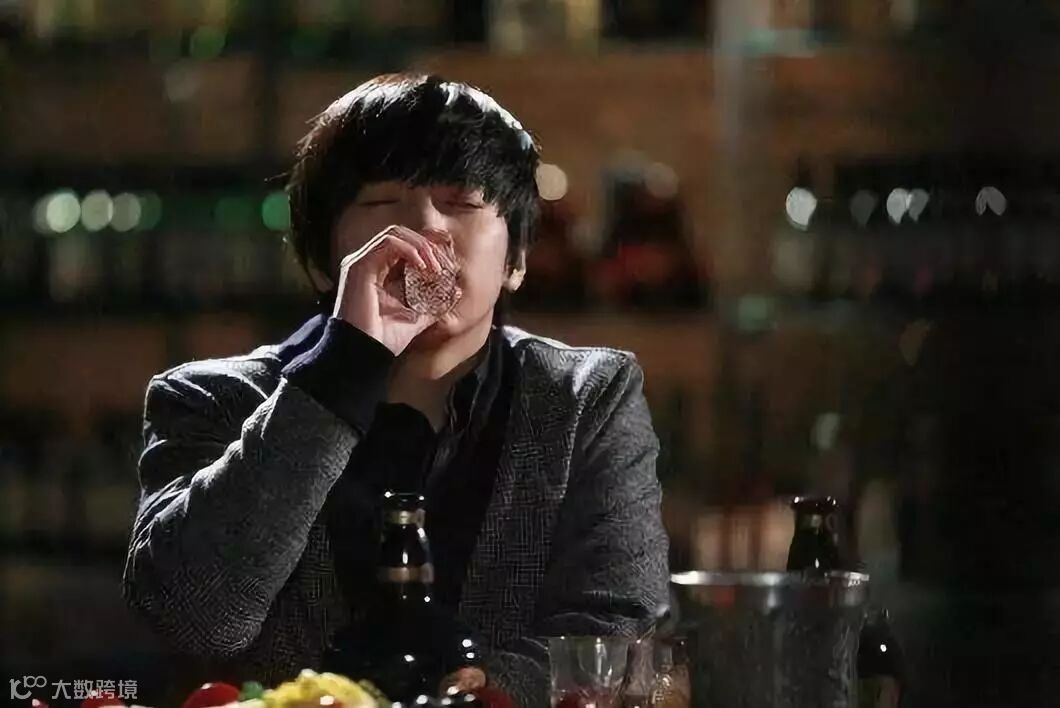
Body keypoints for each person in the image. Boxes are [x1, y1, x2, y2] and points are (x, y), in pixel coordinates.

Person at [122, 73, 669, 706]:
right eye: (382, 202)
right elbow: (195, 620)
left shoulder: (584, 398)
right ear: (322, 259)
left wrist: (475, 694)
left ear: (516, 258)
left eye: (461, 202)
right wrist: (343, 369)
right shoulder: (208, 399)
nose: (424, 229)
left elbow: (615, 634)